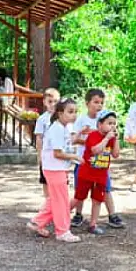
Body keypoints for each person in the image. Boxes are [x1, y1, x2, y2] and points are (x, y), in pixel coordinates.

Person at [28, 98, 82, 243]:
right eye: (70, 112)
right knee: (61, 201)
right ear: (60, 113)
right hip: (54, 168)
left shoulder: (62, 127)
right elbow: (57, 153)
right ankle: (62, 231)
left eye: (75, 112)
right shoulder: (57, 128)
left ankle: (37, 222)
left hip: (56, 168)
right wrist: (75, 157)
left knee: (55, 199)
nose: (74, 115)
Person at [70, 89, 124, 229]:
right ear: (87, 103)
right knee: (80, 192)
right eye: (96, 102)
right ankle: (77, 214)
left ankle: (110, 216)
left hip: (101, 169)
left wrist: (114, 139)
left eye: (101, 102)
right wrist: (87, 140)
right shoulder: (83, 120)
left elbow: (116, 154)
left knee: (104, 190)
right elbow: (77, 141)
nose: (99, 105)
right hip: (84, 162)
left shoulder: (107, 124)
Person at [76, 111, 121, 235]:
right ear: (100, 124)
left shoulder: (111, 139)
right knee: (78, 198)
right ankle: (61, 217)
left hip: (101, 176)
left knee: (97, 200)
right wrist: (106, 139)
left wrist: (116, 139)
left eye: (114, 124)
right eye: (109, 123)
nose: (112, 126)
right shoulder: (93, 135)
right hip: (86, 174)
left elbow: (116, 154)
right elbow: (95, 150)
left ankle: (93, 224)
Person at [35, 88, 62, 197]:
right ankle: (48, 200)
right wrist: (39, 154)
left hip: (59, 154)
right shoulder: (42, 119)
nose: (53, 104)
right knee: (45, 180)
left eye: (55, 101)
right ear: (44, 102)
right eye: (50, 101)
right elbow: (39, 137)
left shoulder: (62, 118)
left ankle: (57, 199)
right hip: (46, 154)